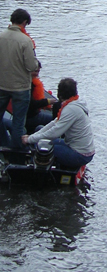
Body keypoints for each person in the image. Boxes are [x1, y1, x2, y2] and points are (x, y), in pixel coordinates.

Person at [22, 78, 95, 169]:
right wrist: (32, 137)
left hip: (81, 154)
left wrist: (29, 139)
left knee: (42, 149)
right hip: (77, 147)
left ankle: (33, 170)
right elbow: (54, 123)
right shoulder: (75, 104)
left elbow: (55, 132)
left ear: (60, 94)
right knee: (41, 137)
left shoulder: (71, 109)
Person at [0, 9, 39, 149]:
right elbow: (31, 65)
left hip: (2, 85)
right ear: (24, 22)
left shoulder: (1, 36)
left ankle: (3, 145)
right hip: (20, 88)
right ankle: (17, 152)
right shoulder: (25, 40)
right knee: (18, 122)